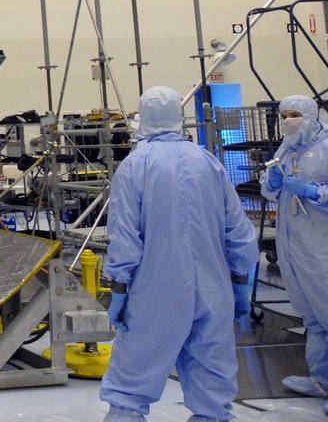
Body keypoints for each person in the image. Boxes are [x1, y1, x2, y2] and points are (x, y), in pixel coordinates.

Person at [100, 85, 258, 422]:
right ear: (179, 118)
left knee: (134, 376)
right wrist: (241, 282)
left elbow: (125, 237)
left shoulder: (135, 166)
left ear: (142, 118)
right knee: (213, 381)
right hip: (214, 291)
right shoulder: (208, 162)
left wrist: (119, 288)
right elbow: (239, 231)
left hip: (156, 292)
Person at [261, 95, 328, 407]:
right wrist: (272, 182)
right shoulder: (287, 147)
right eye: (284, 114)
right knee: (312, 318)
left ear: (311, 115)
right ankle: (321, 379)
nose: (288, 119)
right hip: (292, 248)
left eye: (294, 114)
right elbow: (268, 189)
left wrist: (314, 192)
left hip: (321, 249)